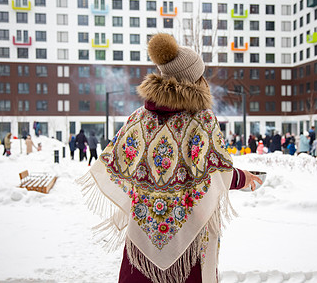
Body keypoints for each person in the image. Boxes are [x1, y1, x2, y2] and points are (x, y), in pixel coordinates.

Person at [77, 33, 262, 283]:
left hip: (143, 226)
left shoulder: (138, 119)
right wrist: (243, 178)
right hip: (189, 232)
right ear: (194, 80)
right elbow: (216, 174)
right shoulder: (201, 121)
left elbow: (116, 162)